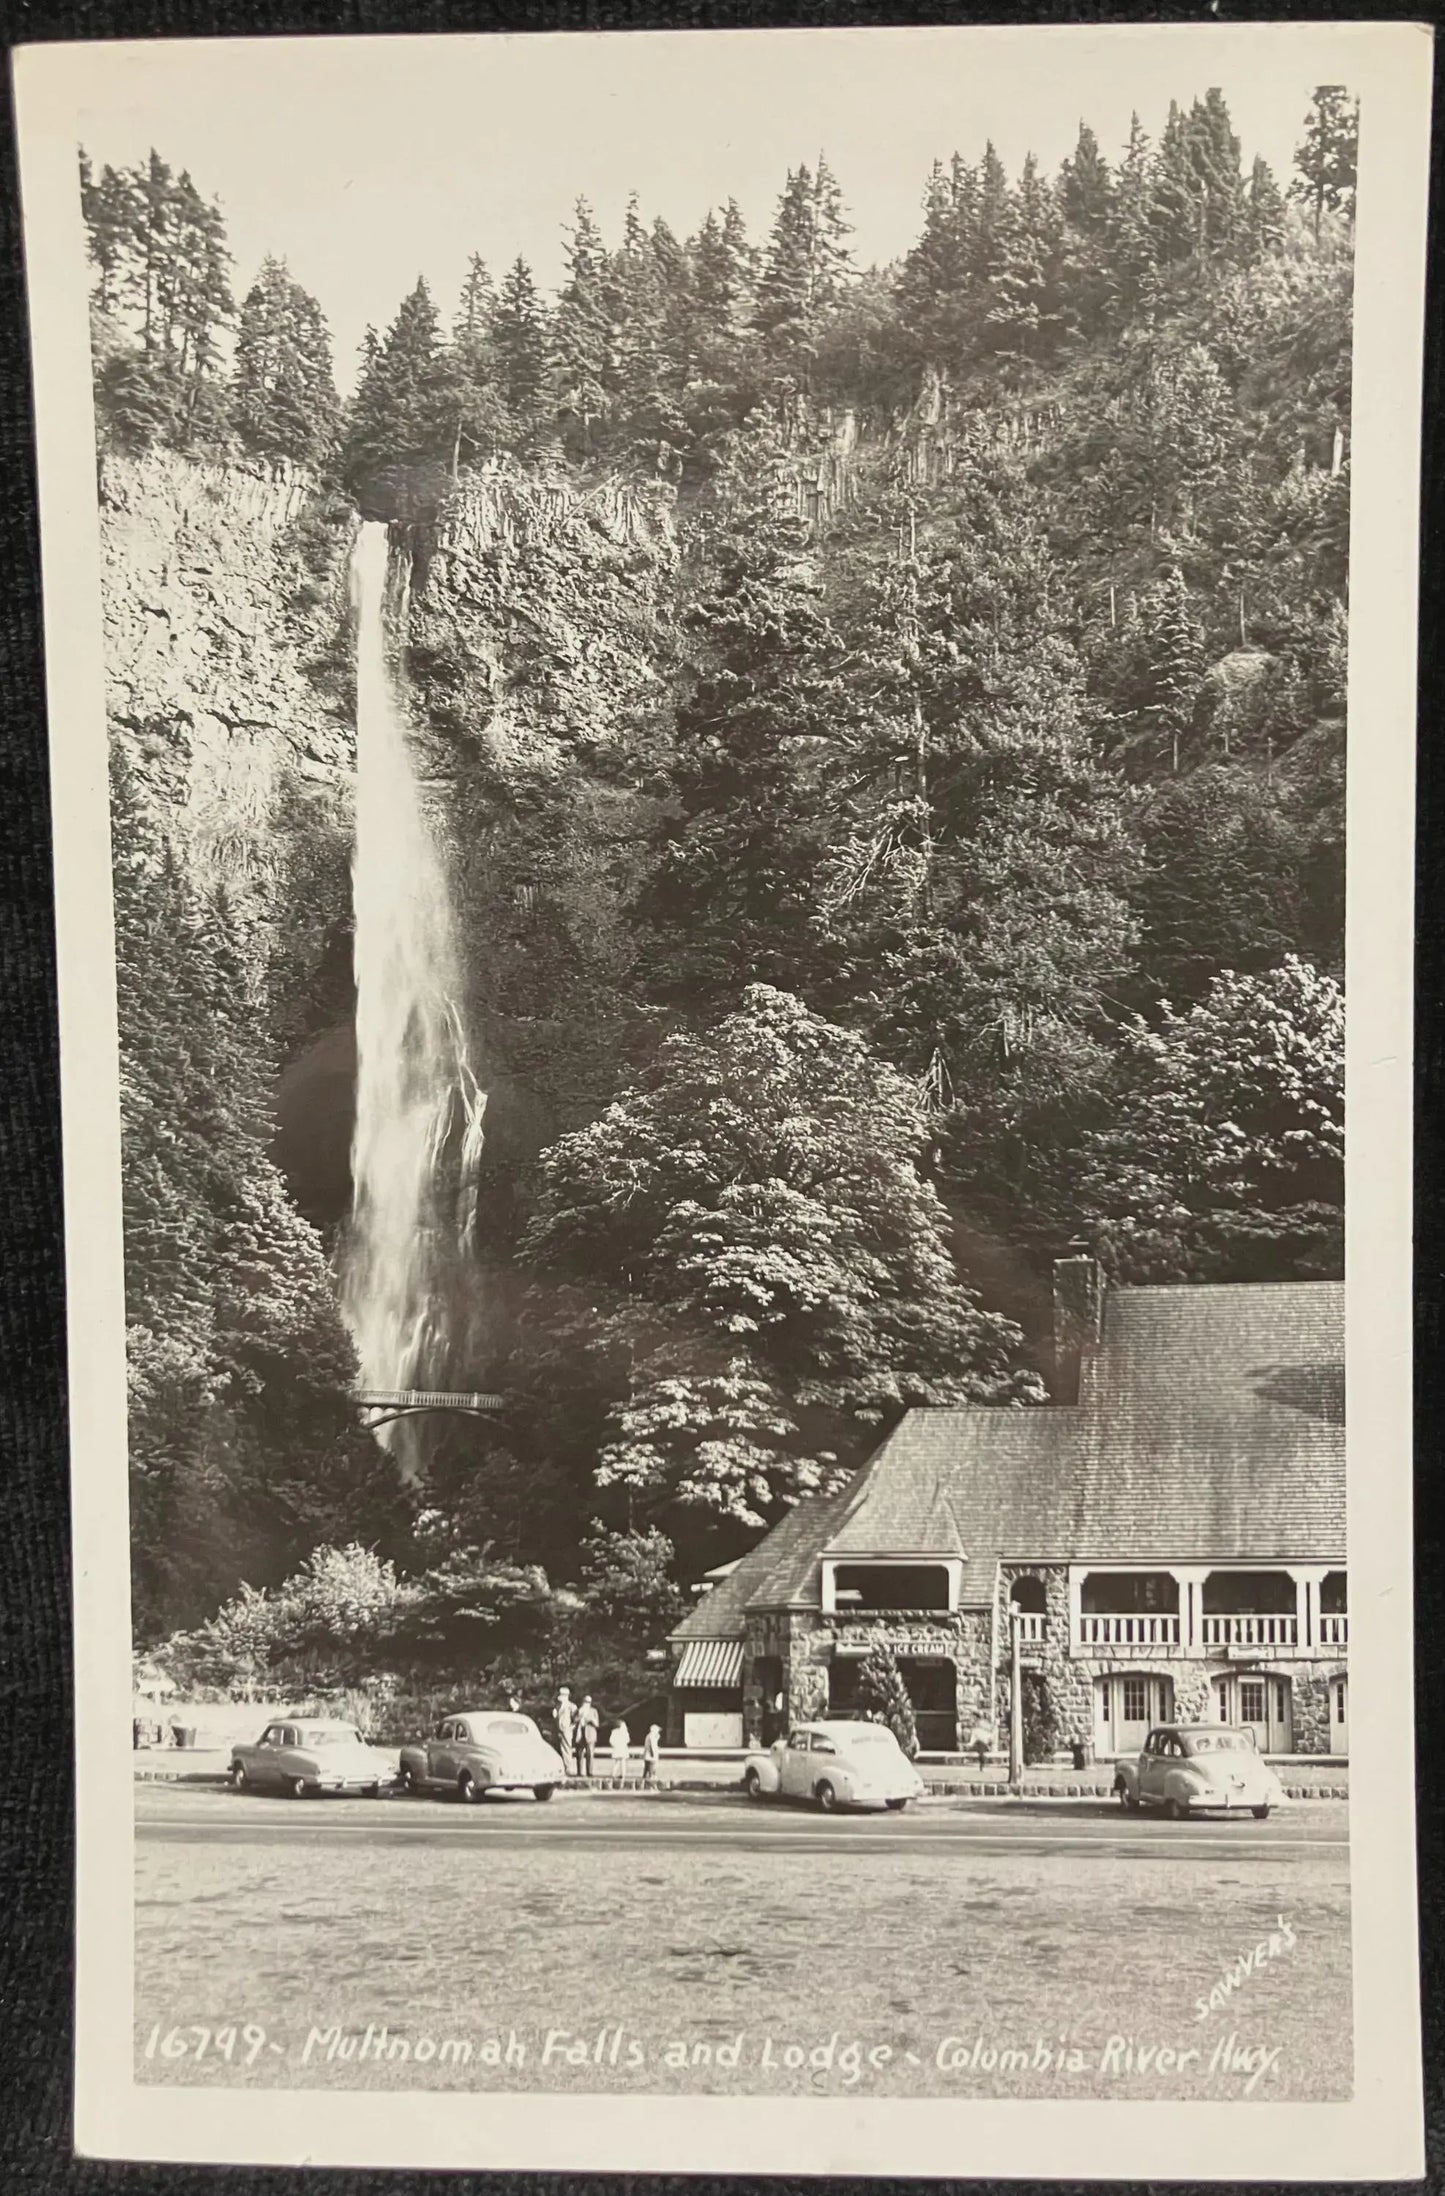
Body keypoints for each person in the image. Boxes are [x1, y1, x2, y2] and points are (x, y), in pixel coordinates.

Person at [575, 1693, 599, 1777]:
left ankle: (590, 1772)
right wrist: (580, 1715)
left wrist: (591, 1720)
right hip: (580, 1734)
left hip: (590, 1735)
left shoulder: (593, 1711)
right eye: (585, 1701)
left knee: (590, 1754)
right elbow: (574, 1720)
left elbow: (597, 1724)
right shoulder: (579, 1710)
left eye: (588, 1702)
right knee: (579, 1754)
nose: (587, 1703)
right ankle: (580, 1772)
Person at [554, 1686, 576, 1776]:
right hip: (558, 1729)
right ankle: (561, 1768)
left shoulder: (571, 1706)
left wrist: (571, 1727)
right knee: (559, 1749)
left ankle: (569, 1768)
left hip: (566, 1730)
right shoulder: (558, 1706)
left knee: (567, 1748)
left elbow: (576, 1718)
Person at [608, 1719, 630, 1787]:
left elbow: (627, 1740)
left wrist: (615, 1744)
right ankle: (619, 1774)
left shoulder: (619, 1732)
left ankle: (619, 1774)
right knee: (619, 1762)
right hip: (621, 1748)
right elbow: (627, 1740)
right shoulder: (619, 1732)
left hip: (620, 1748)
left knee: (619, 1762)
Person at [642, 1723, 661, 1790]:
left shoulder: (648, 1735)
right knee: (651, 1766)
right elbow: (652, 1746)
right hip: (650, 1755)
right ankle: (651, 1778)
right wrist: (653, 1754)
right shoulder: (652, 1736)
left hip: (647, 1754)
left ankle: (644, 1778)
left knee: (647, 1767)